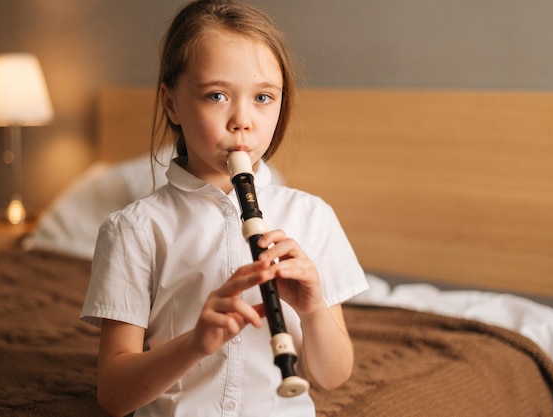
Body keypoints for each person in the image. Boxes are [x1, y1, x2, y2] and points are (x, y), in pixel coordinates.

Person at [80, 1, 367, 416]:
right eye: (216, 95)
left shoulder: (312, 217)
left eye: (263, 97)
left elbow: (332, 376)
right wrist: (195, 342)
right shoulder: (135, 229)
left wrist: (312, 310)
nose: (242, 121)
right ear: (172, 103)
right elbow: (114, 395)